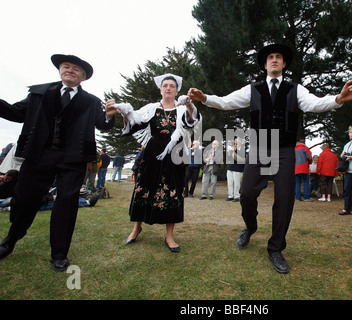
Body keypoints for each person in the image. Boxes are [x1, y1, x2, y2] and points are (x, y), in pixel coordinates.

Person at [188, 43, 352, 273]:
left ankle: (276, 247)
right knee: (247, 193)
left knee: (285, 198)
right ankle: (250, 227)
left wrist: (337, 99)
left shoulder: (295, 89)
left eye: (279, 57)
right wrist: (206, 98)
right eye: (271, 57)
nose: (275, 60)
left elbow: (315, 104)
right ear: (265, 63)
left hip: (285, 150)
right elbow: (227, 101)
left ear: (284, 63)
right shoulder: (253, 89)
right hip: (259, 148)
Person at [0, 54, 116, 271]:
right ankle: (10, 241)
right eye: (66, 66)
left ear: (83, 77)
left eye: (76, 69)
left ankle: (59, 254)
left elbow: (103, 124)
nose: (70, 70)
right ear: (60, 70)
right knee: (24, 200)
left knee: (66, 204)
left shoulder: (91, 101)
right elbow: (16, 113)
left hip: (72, 160)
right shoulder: (39, 92)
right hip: (39, 156)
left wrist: (109, 115)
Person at [112, 73, 201, 252]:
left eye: (172, 86)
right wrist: (125, 112)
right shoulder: (150, 108)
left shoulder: (183, 108)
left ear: (177, 91)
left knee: (173, 189)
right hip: (153, 151)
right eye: (165, 85)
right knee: (143, 186)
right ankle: (136, 227)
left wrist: (190, 104)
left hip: (175, 152)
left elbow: (193, 122)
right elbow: (134, 122)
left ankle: (169, 236)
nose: (168, 88)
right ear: (160, 90)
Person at [226, 138, 246, 202]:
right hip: (230, 167)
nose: (235, 144)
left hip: (238, 169)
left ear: (241, 143)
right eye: (235, 143)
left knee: (236, 184)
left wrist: (233, 151)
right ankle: (230, 196)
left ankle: (237, 196)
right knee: (230, 183)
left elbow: (240, 159)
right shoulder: (233, 150)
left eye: (237, 143)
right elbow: (229, 159)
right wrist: (229, 153)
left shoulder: (243, 150)